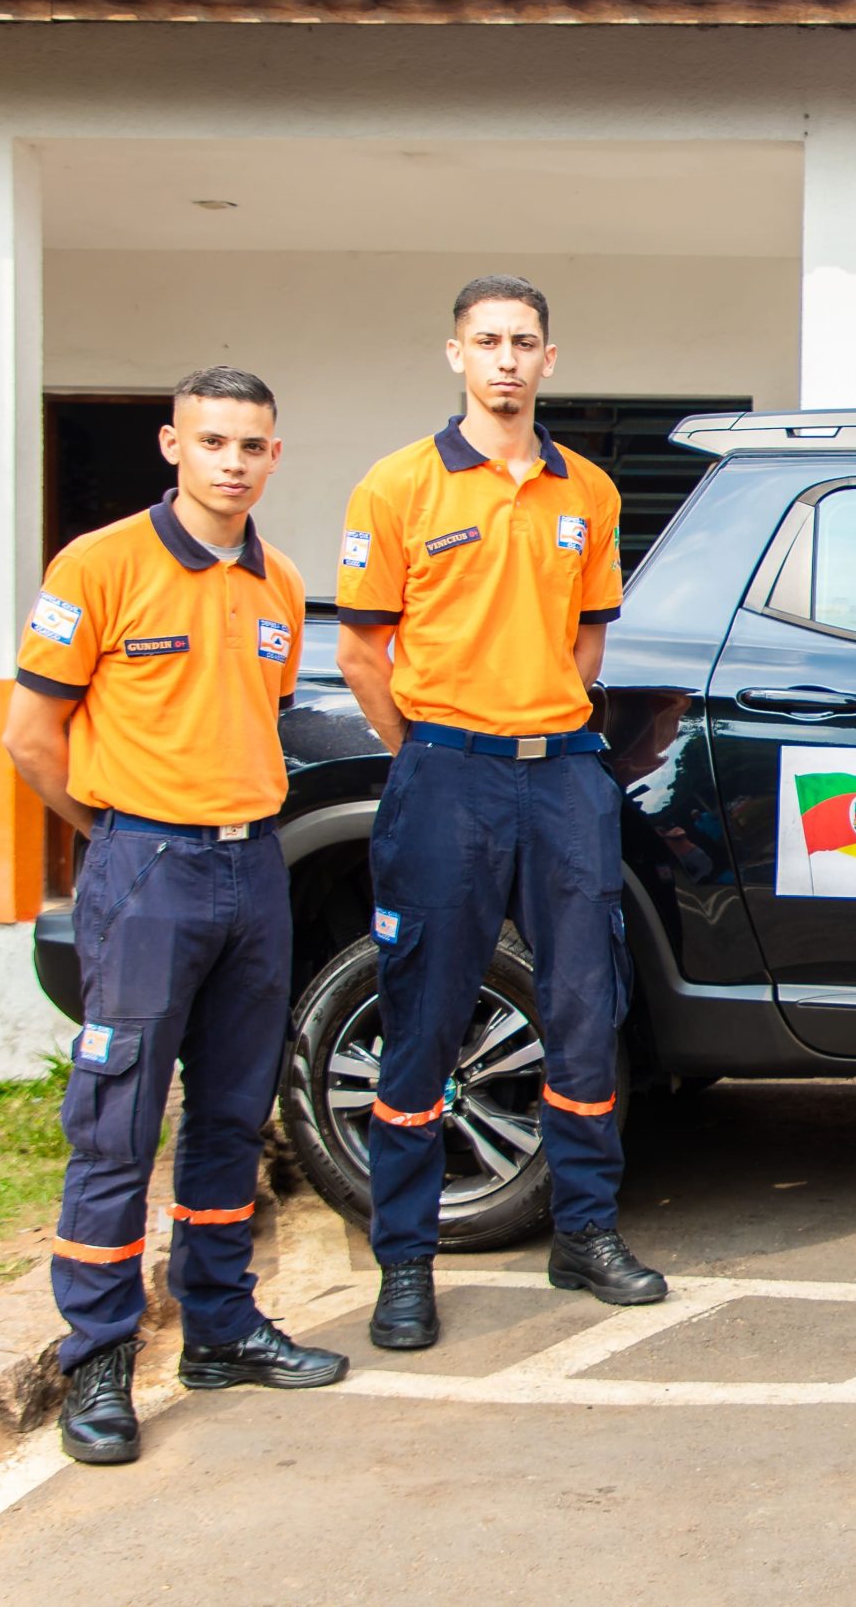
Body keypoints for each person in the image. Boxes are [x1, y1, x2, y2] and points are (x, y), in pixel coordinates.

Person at [3, 367, 348, 1465]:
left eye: (251, 445)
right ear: (172, 446)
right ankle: (99, 1361)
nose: (232, 462)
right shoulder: (98, 565)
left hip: (253, 867)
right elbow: (29, 738)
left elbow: (259, 720)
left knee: (234, 1112)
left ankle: (221, 1325)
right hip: (144, 865)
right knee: (116, 1121)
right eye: (212, 441)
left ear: (274, 456)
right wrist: (117, 832)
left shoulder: (280, 583)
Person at [336, 275, 664, 1351]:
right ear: (457, 355)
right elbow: (361, 653)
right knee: (425, 1014)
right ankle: (404, 1262)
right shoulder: (398, 485)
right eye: (488, 341)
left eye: (524, 342)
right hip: (447, 774)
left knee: (584, 1008)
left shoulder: (588, 491)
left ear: (549, 360)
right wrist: (432, 753)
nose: (507, 360)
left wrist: (536, 726)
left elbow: (588, 642)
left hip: (563, 774)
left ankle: (585, 1231)